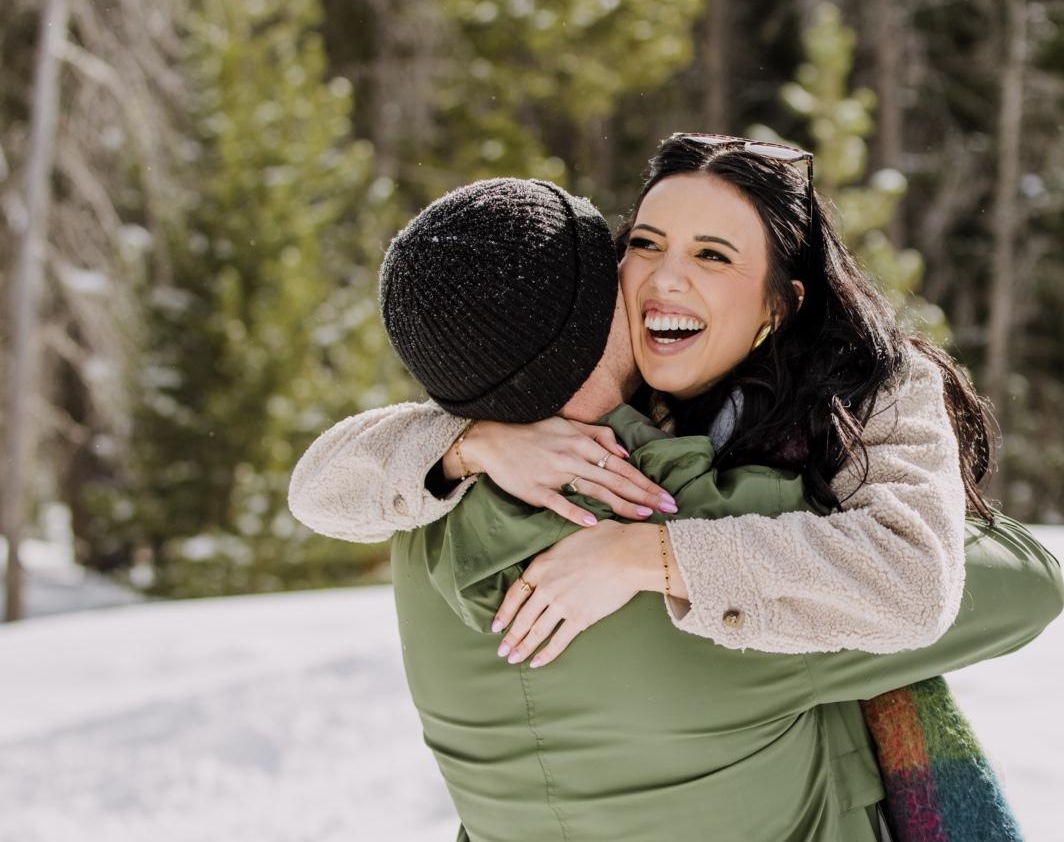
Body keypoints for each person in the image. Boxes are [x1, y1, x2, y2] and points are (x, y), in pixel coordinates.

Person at [286, 170, 1064, 842]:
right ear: (591, 313)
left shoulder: (423, 521)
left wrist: (468, 439)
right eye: (628, 255)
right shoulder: (704, 526)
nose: (655, 280)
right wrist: (887, 373)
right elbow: (1013, 580)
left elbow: (322, 479)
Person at [288, 133, 994, 671]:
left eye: (712, 256)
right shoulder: (601, 375)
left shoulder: (876, 389)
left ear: (780, 303)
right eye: (648, 244)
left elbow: (913, 582)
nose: (665, 280)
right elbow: (319, 490)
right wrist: (472, 444)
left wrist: (644, 555)